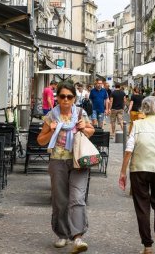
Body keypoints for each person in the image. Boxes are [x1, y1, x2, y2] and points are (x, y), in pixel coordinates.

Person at [37, 81, 95, 253]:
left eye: (69, 97)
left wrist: (84, 128)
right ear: (57, 98)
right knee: (60, 199)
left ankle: (77, 237)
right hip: (57, 161)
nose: (65, 100)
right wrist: (50, 130)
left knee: (77, 198)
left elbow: (91, 131)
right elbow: (40, 140)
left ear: (74, 98)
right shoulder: (51, 116)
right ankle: (62, 234)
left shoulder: (80, 113)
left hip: (78, 160)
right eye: (62, 96)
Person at [119, 96, 155, 254]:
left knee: (142, 207)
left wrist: (122, 172)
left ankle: (147, 246)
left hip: (139, 169)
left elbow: (128, 150)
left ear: (144, 109)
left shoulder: (137, 125)